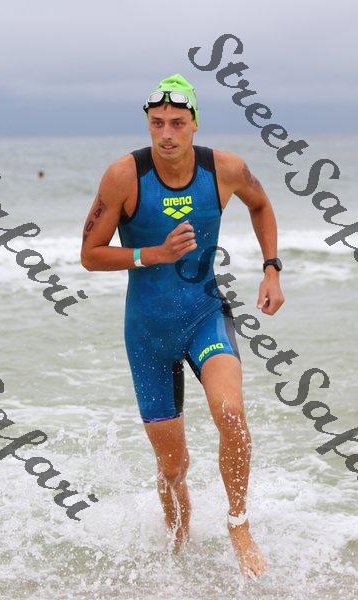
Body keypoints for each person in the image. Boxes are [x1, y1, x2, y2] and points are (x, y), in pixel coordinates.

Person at [81, 74, 284, 579]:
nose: (166, 133)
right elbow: (90, 254)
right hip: (147, 333)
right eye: (157, 123)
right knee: (173, 468)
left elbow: (261, 204)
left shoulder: (225, 169)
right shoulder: (124, 176)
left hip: (203, 316)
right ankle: (178, 552)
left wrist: (271, 268)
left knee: (230, 412)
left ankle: (239, 523)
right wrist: (154, 253)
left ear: (194, 124)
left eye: (176, 122)